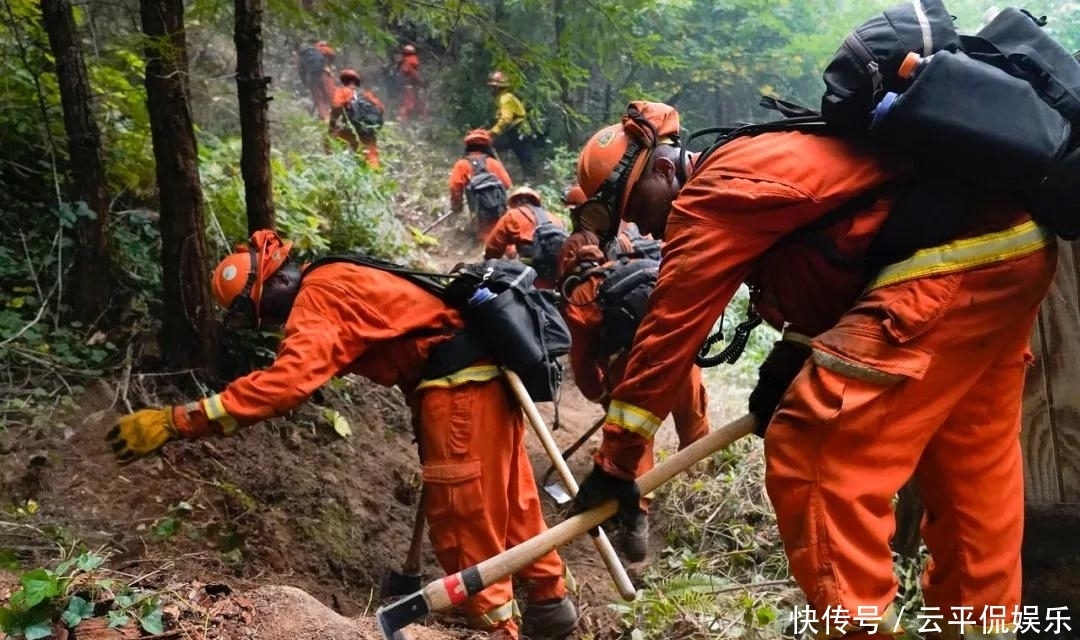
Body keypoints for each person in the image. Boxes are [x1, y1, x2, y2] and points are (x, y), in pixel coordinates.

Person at [566, 100, 1057, 636]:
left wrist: (615, 463)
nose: (648, 230)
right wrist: (793, 351)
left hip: (950, 263)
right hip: (1010, 251)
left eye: (638, 209)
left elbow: (667, 334)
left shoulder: (712, 191)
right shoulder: (759, 163)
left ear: (663, 169)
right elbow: (844, 256)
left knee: (814, 447)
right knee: (967, 464)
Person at [105, 230, 578, 640]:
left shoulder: (317, 296)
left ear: (278, 280)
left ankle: (497, 630)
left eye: (264, 311)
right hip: (482, 379)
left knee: (463, 522)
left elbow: (285, 385)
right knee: (513, 504)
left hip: (457, 391)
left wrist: (178, 420)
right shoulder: (337, 275)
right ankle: (550, 603)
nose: (272, 324)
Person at [560, 237, 709, 562]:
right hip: (685, 356)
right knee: (694, 426)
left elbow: (583, 363)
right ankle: (702, 487)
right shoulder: (647, 268)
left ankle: (636, 518)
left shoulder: (582, 295)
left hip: (636, 365)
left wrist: (602, 394)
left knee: (637, 435)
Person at [483, 187, 567, 290]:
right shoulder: (554, 218)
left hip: (531, 270)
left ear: (515, 202)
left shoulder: (512, 215)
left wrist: (488, 265)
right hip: (558, 271)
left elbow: (494, 246)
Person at [448, 129, 513, 242]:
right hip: (499, 209)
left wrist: (457, 206)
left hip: (479, 212)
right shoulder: (493, 163)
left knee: (484, 238)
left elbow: (455, 187)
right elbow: (507, 184)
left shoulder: (462, 164)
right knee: (501, 236)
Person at [329, 69, 385, 169]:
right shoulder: (366, 94)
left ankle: (335, 167)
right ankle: (375, 175)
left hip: (351, 128)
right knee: (371, 155)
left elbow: (336, 107)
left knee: (331, 141)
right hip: (368, 129)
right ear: (357, 82)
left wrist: (332, 126)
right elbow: (381, 109)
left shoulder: (342, 91)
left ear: (343, 81)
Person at [486, 71, 536, 181]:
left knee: (524, 157)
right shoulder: (505, 97)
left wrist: (492, 132)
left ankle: (529, 182)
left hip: (518, 130)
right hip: (517, 130)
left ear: (497, 88)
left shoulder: (505, 98)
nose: (491, 90)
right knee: (524, 158)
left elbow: (506, 119)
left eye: (492, 87)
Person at [296, 40, 337, 123]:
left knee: (320, 102)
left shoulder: (301, 56)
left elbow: (301, 71)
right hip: (325, 73)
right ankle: (337, 120)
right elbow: (332, 55)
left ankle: (326, 120)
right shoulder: (323, 49)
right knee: (332, 97)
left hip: (312, 78)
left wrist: (306, 84)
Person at [396, 44, 425, 123]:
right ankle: (405, 121)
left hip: (405, 87)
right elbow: (414, 75)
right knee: (410, 105)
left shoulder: (405, 63)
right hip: (410, 87)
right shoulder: (411, 62)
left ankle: (404, 121)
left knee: (407, 104)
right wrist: (421, 82)